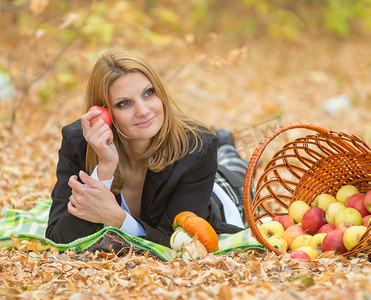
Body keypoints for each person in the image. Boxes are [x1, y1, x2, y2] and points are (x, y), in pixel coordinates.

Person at [45, 49, 249, 248]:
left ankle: (225, 144)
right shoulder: (79, 141)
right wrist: (104, 171)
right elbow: (59, 239)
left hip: (221, 193)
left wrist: (117, 218)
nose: (143, 111)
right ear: (103, 112)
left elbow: (173, 242)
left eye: (148, 93)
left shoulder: (198, 147)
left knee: (234, 167)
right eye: (124, 103)